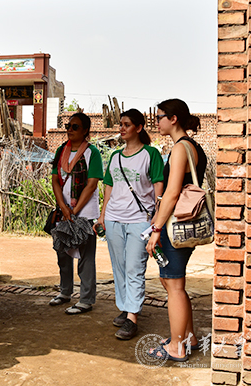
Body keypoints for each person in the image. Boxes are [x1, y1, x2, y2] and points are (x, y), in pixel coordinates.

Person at [146, 98, 207, 362]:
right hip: (182, 222)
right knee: (173, 282)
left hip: (175, 225)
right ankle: (188, 337)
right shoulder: (193, 146)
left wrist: (156, 228)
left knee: (174, 285)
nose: (156, 122)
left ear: (173, 119)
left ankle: (176, 347)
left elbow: (171, 193)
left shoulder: (181, 148)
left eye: (159, 117)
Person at [97, 109, 164, 340]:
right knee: (119, 266)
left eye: (126, 124)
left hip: (139, 220)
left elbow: (158, 186)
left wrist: (157, 215)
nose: (122, 128)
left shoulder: (150, 154)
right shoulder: (115, 156)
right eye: (121, 124)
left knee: (134, 267)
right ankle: (126, 307)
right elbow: (108, 187)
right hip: (114, 218)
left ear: (139, 127)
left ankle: (132, 317)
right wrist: (102, 215)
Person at [48, 112, 103, 314]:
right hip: (64, 211)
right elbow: (55, 179)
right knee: (62, 251)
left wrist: (75, 210)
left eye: (75, 127)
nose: (70, 130)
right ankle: (65, 292)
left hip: (85, 213)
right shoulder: (61, 150)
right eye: (68, 126)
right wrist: (64, 208)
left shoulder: (92, 153)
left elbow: (92, 184)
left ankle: (86, 299)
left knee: (86, 256)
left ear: (85, 130)